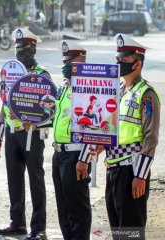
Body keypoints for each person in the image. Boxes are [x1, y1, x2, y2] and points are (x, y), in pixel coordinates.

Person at [79, 33, 160, 239]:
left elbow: (150, 138)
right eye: (117, 59)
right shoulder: (120, 90)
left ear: (137, 64)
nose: (118, 63)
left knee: (130, 231)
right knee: (117, 229)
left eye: (124, 60)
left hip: (131, 170)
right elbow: (113, 129)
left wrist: (140, 176)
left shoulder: (146, 93)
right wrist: (100, 146)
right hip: (113, 167)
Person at [0, 28, 51, 240]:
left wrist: (36, 124)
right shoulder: (10, 72)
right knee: (14, 179)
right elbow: (4, 104)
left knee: (36, 180)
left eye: (25, 48)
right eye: (18, 48)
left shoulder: (42, 74)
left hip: (32, 134)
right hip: (11, 132)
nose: (21, 52)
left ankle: (39, 228)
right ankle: (17, 223)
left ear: (33, 48)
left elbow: (49, 107)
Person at [52, 40, 91, 240]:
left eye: (71, 61)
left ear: (82, 63)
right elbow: (57, 116)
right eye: (64, 60)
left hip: (76, 154)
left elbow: (94, 128)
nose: (66, 65)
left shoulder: (88, 87)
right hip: (59, 153)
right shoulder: (64, 86)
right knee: (63, 207)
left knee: (77, 207)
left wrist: (84, 159)